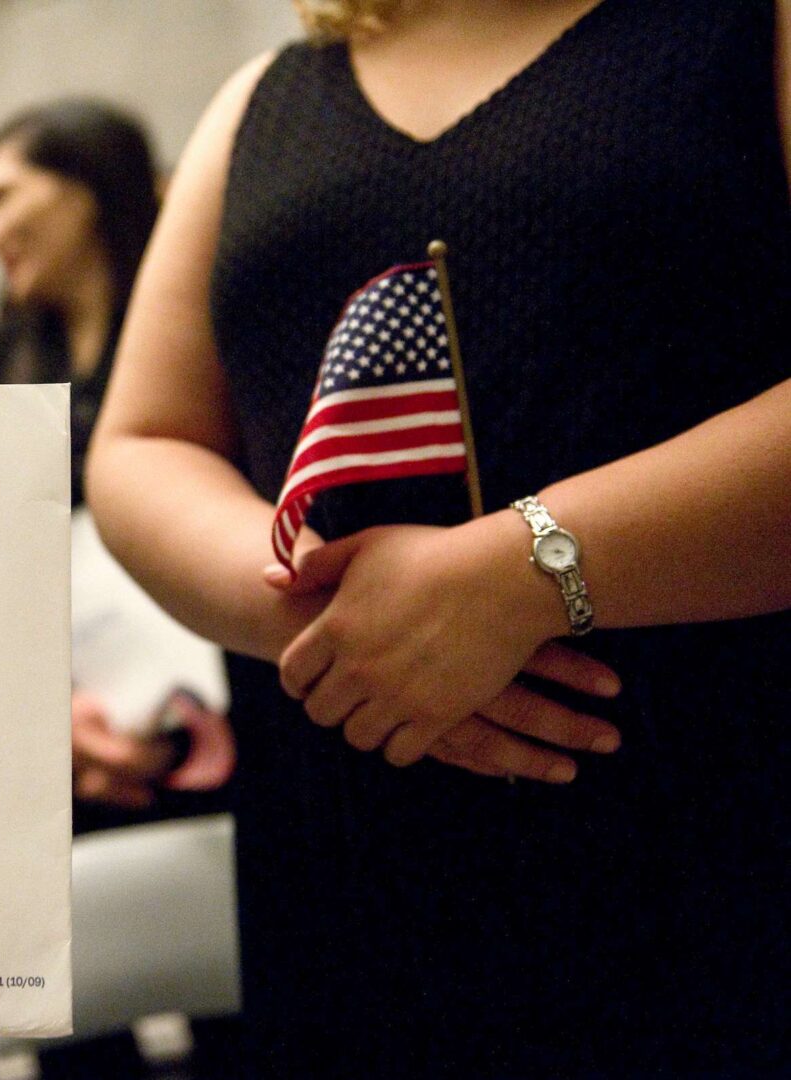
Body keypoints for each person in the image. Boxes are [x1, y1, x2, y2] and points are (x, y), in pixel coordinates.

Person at [85, 0, 790, 1075]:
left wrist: (529, 571)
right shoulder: (263, 100)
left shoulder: (747, 28)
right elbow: (144, 439)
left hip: (714, 840)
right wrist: (339, 618)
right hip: (343, 866)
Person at [0, 99, 234, 823]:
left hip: (229, 716)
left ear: (84, 186)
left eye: (2, 197)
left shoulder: (212, 335)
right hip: (48, 737)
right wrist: (53, 714)